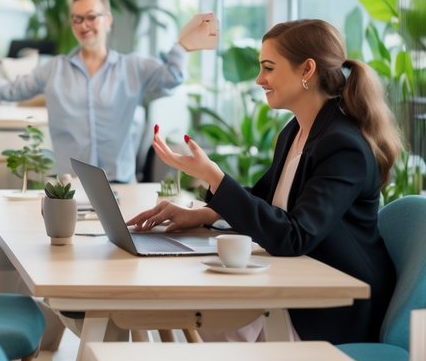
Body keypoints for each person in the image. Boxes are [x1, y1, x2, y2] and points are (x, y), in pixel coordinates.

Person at [126, 19, 399, 344]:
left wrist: (213, 175)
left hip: (332, 311)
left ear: (307, 70)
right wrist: (201, 214)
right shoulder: (295, 131)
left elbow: (294, 236)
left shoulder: (343, 146)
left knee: (195, 316)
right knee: (187, 312)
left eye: (268, 68)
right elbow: (263, 200)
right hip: (294, 285)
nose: (259, 79)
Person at [0, 0, 218, 182]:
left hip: (120, 184)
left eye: (91, 17)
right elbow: (9, 91)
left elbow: (172, 77)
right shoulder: (54, 69)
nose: (84, 25)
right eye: (77, 19)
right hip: (70, 185)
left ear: (108, 19)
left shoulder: (133, 67)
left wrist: (182, 46)